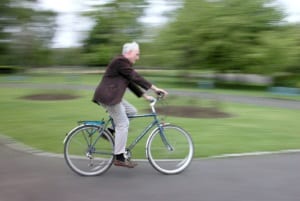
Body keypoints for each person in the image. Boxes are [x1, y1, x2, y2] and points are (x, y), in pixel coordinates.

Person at [93, 41, 168, 168]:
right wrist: (155, 89)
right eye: (136, 54)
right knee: (123, 123)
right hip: (109, 97)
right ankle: (119, 157)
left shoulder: (123, 65)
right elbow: (135, 77)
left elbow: (131, 83)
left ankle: (110, 130)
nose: (137, 58)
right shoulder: (120, 61)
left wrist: (145, 96)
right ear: (129, 53)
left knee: (132, 111)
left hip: (113, 96)